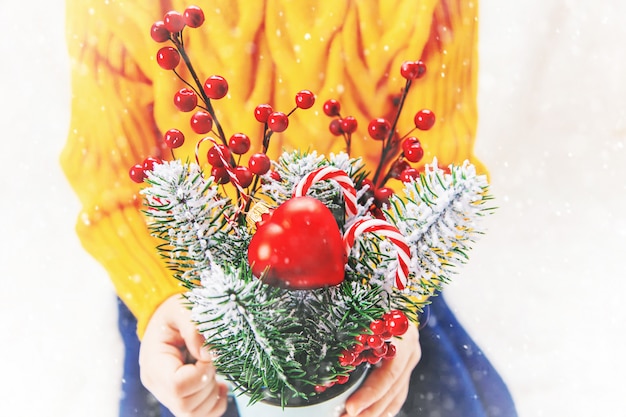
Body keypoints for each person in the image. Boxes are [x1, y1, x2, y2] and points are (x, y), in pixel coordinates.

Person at [62, 1, 518, 416]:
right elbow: (116, 179)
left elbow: (434, 176)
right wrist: (159, 298)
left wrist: (396, 299)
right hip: (183, 283)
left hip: (371, 274)